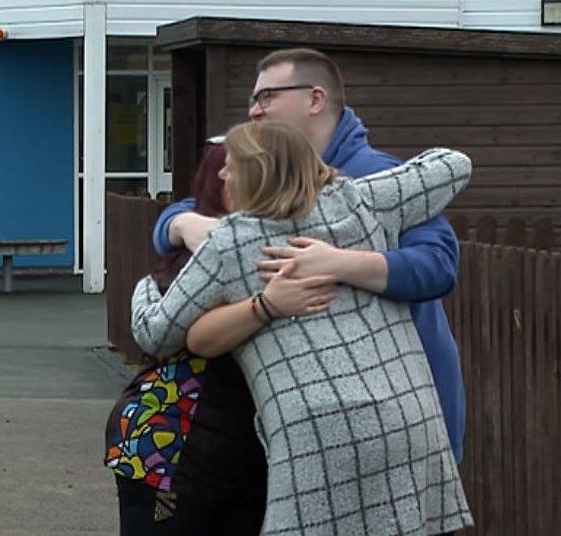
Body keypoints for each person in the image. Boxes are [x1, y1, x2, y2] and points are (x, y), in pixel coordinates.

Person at [133, 120, 473, 535]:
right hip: (408, 413)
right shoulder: (359, 200)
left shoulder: (230, 242)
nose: (223, 172)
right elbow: (454, 164)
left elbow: (156, 333)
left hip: (316, 427)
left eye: (233, 165)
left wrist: (147, 287)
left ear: (260, 171)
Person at [153, 48, 466, 466]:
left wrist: (338, 263)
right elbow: (206, 201)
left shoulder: (377, 175)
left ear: (315, 99)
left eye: (266, 97)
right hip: (314, 427)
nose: (255, 112)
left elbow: (438, 266)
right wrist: (179, 223)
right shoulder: (271, 174)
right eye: (252, 100)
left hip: (403, 406)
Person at [105, 141, 337, 535]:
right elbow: (165, 333)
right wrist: (267, 305)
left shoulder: (295, 249)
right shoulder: (204, 258)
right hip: (172, 448)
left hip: (245, 454)